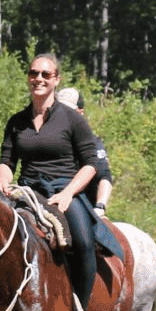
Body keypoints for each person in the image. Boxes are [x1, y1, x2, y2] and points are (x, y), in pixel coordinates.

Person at [0, 54, 109, 311]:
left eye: (46, 74)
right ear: (29, 77)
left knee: (83, 242)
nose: (39, 79)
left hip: (64, 190)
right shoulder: (17, 122)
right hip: (28, 191)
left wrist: (69, 192)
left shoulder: (71, 118)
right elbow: (7, 160)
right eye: (34, 73)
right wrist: (5, 182)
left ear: (56, 79)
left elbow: (90, 165)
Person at [55, 87, 114, 216]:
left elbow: (104, 176)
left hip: (82, 206)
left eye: (68, 110)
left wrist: (100, 206)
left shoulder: (92, 143)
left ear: (80, 112)